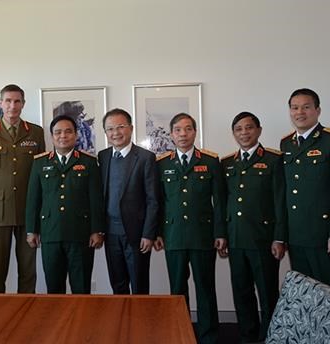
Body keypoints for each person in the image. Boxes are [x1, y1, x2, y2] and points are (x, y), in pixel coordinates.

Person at [154, 113, 226, 344]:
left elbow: (220, 202)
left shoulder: (210, 161)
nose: (183, 134)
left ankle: (209, 336)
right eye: (178, 130)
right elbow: (157, 201)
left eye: (187, 129)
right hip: (173, 235)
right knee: (177, 289)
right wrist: (157, 232)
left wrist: (220, 233)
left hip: (202, 236)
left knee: (205, 288)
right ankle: (179, 332)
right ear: (172, 134)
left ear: (195, 132)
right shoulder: (162, 164)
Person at [281, 88, 330, 294]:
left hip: (325, 237)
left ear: (317, 110)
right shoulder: (287, 143)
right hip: (297, 236)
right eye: (295, 108)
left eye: (306, 107)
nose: (300, 112)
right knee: (305, 296)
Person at [221, 112, 287, 342]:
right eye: (239, 129)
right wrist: (223, 235)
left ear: (258, 130)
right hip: (236, 238)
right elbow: (224, 203)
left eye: (249, 128)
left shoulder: (273, 160)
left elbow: (280, 201)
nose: (244, 133)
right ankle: (247, 336)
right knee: (242, 292)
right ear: (234, 133)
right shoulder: (228, 163)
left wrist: (279, 238)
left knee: (268, 293)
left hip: (263, 240)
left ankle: (271, 336)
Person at [0, 84, 46, 293]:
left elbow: (42, 176)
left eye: (17, 101)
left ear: (23, 104)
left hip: (27, 211)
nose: (12, 106)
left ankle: (26, 314)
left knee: (28, 272)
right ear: (0, 103)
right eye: (8, 101)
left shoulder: (35, 132)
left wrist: (40, 213)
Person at [25, 115, 105, 293]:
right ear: (52, 136)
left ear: (76, 135)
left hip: (80, 234)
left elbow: (95, 199)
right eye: (58, 132)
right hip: (50, 233)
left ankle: (83, 320)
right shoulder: (40, 163)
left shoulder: (89, 162)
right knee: (54, 288)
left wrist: (97, 230)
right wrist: (32, 230)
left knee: (82, 287)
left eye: (68, 131)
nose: (63, 136)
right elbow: (33, 199)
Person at [97, 108, 160, 294]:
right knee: (117, 284)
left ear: (131, 128)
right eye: (110, 129)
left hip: (137, 235)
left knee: (139, 285)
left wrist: (149, 234)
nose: (115, 133)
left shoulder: (145, 158)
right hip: (110, 234)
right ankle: (121, 321)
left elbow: (153, 200)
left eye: (120, 127)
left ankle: (140, 323)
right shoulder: (103, 156)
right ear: (106, 133)